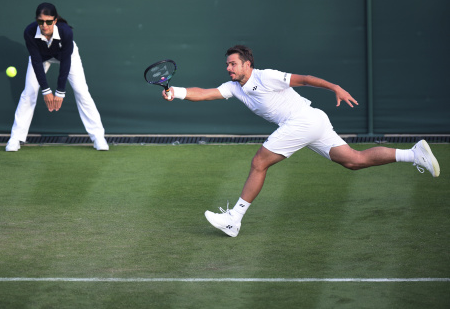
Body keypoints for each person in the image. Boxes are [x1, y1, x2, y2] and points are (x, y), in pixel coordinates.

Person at [162, 45, 440, 237]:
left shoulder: (266, 76)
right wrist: (176, 91)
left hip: (304, 121)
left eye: (233, 64)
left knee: (259, 161)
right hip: (310, 122)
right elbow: (205, 92)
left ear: (248, 64)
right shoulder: (234, 88)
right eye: (227, 64)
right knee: (353, 161)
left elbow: (304, 79)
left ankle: (234, 219)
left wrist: (335, 87)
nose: (229, 68)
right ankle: (413, 154)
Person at [5, 2, 109, 151]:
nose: (44, 25)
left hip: (66, 57)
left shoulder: (66, 32)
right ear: (37, 20)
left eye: (48, 22)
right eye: (40, 21)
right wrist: (46, 91)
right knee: (29, 93)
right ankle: (15, 138)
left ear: (55, 21)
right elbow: (36, 61)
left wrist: (60, 92)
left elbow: (66, 62)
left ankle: (98, 137)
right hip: (41, 58)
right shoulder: (29, 32)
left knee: (82, 92)